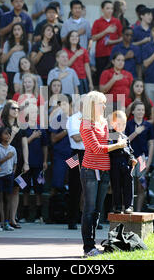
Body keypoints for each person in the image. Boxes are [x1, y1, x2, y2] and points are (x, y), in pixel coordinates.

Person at [79, 91, 127, 257]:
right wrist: (118, 145)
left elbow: (115, 141)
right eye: (102, 103)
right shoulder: (86, 123)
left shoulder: (105, 123)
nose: (105, 106)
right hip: (90, 171)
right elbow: (96, 149)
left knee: (98, 210)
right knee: (89, 209)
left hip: (105, 171)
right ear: (92, 105)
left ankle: (92, 245)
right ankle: (88, 247)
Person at [0, 100, 29, 229]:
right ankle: (2, 219)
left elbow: (25, 145)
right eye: (13, 108)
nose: (16, 110)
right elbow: (4, 143)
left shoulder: (20, 125)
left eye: (18, 109)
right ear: (7, 109)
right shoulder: (2, 125)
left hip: (19, 161)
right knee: (4, 192)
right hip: (5, 160)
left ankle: (13, 219)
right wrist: (14, 132)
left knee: (16, 190)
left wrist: (27, 163)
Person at [20, 104, 48, 223]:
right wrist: (32, 136)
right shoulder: (23, 129)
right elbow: (22, 144)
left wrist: (45, 161)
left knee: (39, 189)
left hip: (38, 163)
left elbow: (45, 146)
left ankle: (39, 215)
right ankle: (24, 215)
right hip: (25, 164)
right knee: (24, 189)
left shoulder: (41, 129)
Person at [125, 101, 154, 211]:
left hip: (143, 158)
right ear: (133, 111)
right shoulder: (128, 124)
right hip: (130, 158)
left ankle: (138, 211)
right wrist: (136, 132)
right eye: (138, 109)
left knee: (141, 185)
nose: (141, 112)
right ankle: (128, 208)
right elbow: (125, 141)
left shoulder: (148, 125)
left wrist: (149, 159)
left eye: (142, 110)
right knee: (129, 183)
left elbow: (151, 143)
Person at [108, 110, 136, 214]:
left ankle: (129, 206)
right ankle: (117, 206)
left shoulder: (126, 138)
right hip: (115, 164)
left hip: (126, 165)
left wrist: (133, 158)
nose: (121, 126)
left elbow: (130, 151)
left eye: (123, 124)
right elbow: (108, 150)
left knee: (129, 184)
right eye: (118, 123)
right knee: (116, 186)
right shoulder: (110, 136)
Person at [91, 0, 123, 87]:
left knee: (115, 77)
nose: (110, 10)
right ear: (102, 9)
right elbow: (93, 37)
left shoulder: (116, 21)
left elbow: (121, 38)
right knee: (102, 78)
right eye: (107, 8)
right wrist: (106, 31)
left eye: (111, 8)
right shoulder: (97, 22)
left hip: (114, 54)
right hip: (101, 54)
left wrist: (112, 42)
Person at [0, 126, 17, 231]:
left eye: (9, 134)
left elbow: (15, 163)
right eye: (5, 133)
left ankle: (6, 222)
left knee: (8, 199)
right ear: (0, 135)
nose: (8, 136)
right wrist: (7, 157)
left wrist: (12, 172)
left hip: (9, 175)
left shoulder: (13, 148)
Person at [66, 96, 84, 230]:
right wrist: (92, 133)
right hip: (75, 154)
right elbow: (76, 138)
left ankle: (88, 218)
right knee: (74, 186)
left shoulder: (95, 120)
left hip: (90, 154)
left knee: (91, 188)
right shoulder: (73, 119)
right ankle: (72, 219)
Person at [1, 22, 32, 95]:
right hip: (11, 72)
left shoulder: (27, 43)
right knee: (13, 94)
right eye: (14, 30)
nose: (16, 31)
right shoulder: (8, 43)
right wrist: (12, 50)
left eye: (18, 29)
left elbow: (29, 59)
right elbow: (2, 60)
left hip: (23, 72)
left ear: (22, 31)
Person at [63, 30, 93, 94]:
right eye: (72, 36)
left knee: (83, 100)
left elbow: (87, 66)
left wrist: (90, 82)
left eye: (77, 36)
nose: (74, 38)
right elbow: (66, 65)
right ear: (68, 38)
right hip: (69, 79)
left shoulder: (83, 50)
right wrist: (76, 55)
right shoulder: (64, 51)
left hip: (82, 78)